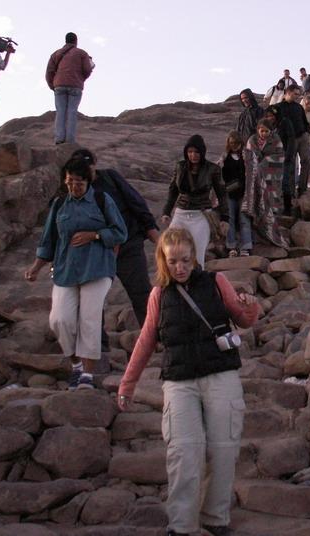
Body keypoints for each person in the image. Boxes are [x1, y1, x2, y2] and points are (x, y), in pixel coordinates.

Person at [118, 227, 260, 536]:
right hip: (179, 381)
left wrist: (250, 305)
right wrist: (128, 384)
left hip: (220, 374)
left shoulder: (216, 282)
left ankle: (215, 518)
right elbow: (146, 340)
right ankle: (181, 525)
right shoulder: (159, 294)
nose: (180, 267)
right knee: (184, 452)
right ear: (163, 260)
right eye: (173, 261)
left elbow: (244, 319)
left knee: (223, 450)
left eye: (185, 260)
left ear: (194, 257)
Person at [25, 157, 127, 390]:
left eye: (78, 182)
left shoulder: (102, 200)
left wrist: (95, 235)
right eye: (70, 181)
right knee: (59, 319)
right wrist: (36, 267)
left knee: (89, 320)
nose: (74, 186)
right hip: (66, 269)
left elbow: (120, 232)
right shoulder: (60, 204)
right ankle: (76, 364)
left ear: (87, 181)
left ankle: (87, 376)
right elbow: (48, 239)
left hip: (97, 268)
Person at [70, 148, 159, 327]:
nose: (86, 171)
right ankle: (97, 341)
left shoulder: (110, 177)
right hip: (97, 252)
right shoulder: (74, 191)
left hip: (128, 245)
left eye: (88, 166)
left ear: (95, 163)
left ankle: (154, 335)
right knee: (93, 299)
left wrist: (155, 235)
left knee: (141, 293)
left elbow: (136, 202)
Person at [161, 134, 229, 269]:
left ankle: (198, 280)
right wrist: (166, 212)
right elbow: (173, 191)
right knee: (171, 250)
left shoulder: (212, 169)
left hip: (201, 215)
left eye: (196, 152)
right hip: (181, 213)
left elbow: (222, 194)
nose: (193, 155)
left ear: (202, 152)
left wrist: (225, 218)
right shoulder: (180, 167)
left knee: (197, 255)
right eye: (190, 152)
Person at [241, 117, 289, 249]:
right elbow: (248, 156)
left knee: (272, 195)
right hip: (256, 174)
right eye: (262, 131)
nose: (264, 134)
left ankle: (274, 220)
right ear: (258, 130)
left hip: (272, 173)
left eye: (266, 131)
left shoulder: (276, 140)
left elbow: (280, 156)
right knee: (258, 194)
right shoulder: (252, 140)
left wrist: (264, 162)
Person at [46, 32, 94, 144]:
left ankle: (59, 138)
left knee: (60, 111)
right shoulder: (82, 53)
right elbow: (87, 70)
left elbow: (49, 72)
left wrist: (53, 85)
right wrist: (81, 78)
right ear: (76, 41)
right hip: (75, 85)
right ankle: (70, 140)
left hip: (59, 85)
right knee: (72, 111)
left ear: (66, 40)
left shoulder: (56, 54)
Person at [276, 85, 310, 209]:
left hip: (302, 137)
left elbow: (305, 121)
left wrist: (306, 132)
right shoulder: (279, 107)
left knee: (306, 161)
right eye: (295, 94)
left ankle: (302, 189)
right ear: (288, 92)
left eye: (298, 94)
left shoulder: (299, 107)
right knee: (290, 164)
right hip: (289, 140)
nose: (297, 96)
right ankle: (290, 192)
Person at [218, 130, 252, 257]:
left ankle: (246, 247)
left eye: (236, 143)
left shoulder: (247, 156)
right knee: (230, 219)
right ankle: (231, 246)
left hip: (244, 193)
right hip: (229, 193)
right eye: (231, 143)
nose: (234, 145)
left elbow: (252, 173)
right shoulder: (224, 157)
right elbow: (219, 175)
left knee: (244, 220)